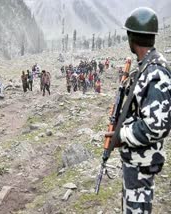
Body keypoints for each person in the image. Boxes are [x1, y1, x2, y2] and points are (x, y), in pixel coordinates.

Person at [109, 7, 171, 213]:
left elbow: (157, 127)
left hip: (142, 162)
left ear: (131, 37)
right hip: (137, 160)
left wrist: (121, 135)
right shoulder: (146, 67)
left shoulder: (155, 73)